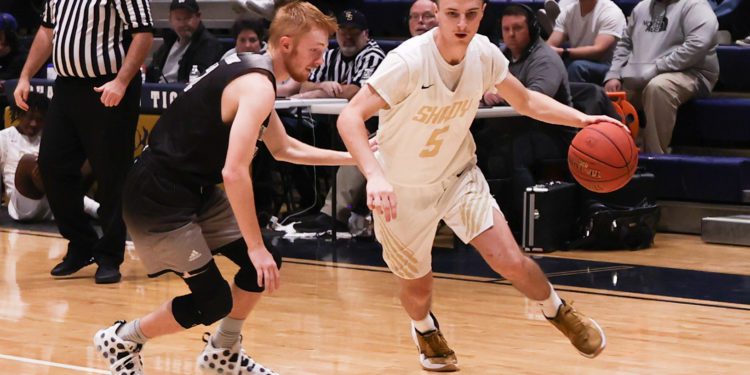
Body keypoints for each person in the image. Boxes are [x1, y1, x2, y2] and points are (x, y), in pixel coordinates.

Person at [337, 0, 618, 371]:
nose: (462, 23)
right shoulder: (408, 61)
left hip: (457, 175)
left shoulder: (483, 53)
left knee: (510, 260)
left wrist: (582, 119)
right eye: (453, 14)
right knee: (418, 290)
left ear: (482, 12)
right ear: (437, 12)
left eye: (471, 14)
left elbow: (527, 100)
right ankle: (424, 330)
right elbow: (350, 117)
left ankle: (558, 311)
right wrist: (373, 175)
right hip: (401, 190)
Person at [92, 3, 364, 375]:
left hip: (193, 188)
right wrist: (253, 246)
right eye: (315, 50)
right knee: (214, 300)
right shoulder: (257, 85)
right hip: (158, 196)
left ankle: (222, 354)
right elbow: (234, 172)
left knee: (264, 263)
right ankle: (123, 338)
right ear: (286, 44)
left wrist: (354, 157)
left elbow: (284, 148)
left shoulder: (253, 68)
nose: (321, 59)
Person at [14, 0, 153, 284]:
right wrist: (26, 75)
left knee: (112, 174)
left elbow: (143, 35)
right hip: (66, 87)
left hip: (108, 85)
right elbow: (46, 31)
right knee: (51, 166)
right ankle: (81, 244)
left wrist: (122, 82)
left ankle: (109, 255)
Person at [294, 1, 437, 235]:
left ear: (366, 34)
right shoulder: (404, 53)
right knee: (300, 134)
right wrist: (322, 86)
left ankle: (335, 213)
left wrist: (321, 89)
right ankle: (313, 204)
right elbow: (302, 84)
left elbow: (358, 93)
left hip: (402, 126)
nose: (348, 39)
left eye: (354, 33)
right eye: (343, 33)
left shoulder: (377, 54)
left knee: (363, 144)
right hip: (381, 124)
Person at [478, 3, 574, 234]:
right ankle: (482, 222)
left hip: (554, 133)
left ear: (532, 28)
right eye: (506, 28)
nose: (510, 34)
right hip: (513, 128)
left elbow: (537, 100)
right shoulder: (501, 57)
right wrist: (483, 92)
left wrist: (499, 94)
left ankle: (528, 226)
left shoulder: (545, 59)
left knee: (514, 152)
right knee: (472, 146)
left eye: (517, 28)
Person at [603, 0, 719, 154]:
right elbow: (625, 43)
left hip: (691, 73)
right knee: (607, 95)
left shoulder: (696, 5)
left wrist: (657, 68)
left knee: (658, 87)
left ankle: (655, 156)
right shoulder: (641, 7)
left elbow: (697, 45)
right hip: (642, 74)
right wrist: (614, 74)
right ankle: (614, 154)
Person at [1, 92, 100, 222]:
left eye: (39, 119)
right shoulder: (4, 137)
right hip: (25, 204)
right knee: (28, 160)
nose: (33, 124)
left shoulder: (50, 137)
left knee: (93, 156)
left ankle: (107, 206)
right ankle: (95, 209)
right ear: (20, 114)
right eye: (30, 117)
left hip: (54, 205)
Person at [546, 0, 626, 84]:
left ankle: (572, 97)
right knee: (553, 62)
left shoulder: (611, 12)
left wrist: (563, 52)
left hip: (610, 68)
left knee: (577, 66)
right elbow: (550, 45)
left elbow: (598, 50)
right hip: (577, 60)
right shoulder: (568, 12)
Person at [145, 0, 224, 83]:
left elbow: (200, 81)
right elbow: (151, 73)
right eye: (178, 19)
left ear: (198, 17)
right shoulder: (168, 43)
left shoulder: (209, 44)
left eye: (187, 18)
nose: (183, 24)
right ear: (170, 20)